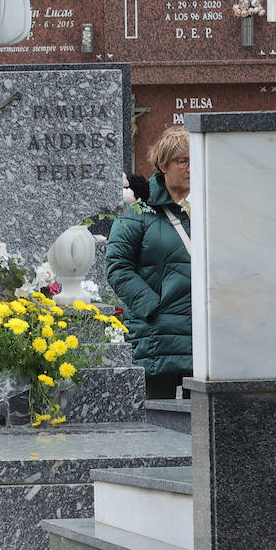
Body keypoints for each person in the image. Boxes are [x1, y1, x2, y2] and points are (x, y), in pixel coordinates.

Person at [107, 127, 192, 400]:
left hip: (206, 335)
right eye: (183, 160)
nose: (191, 167)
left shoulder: (210, 208)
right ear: (163, 165)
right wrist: (153, 306)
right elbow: (118, 266)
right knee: (158, 423)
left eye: (196, 160)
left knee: (209, 429)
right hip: (159, 334)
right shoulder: (139, 211)